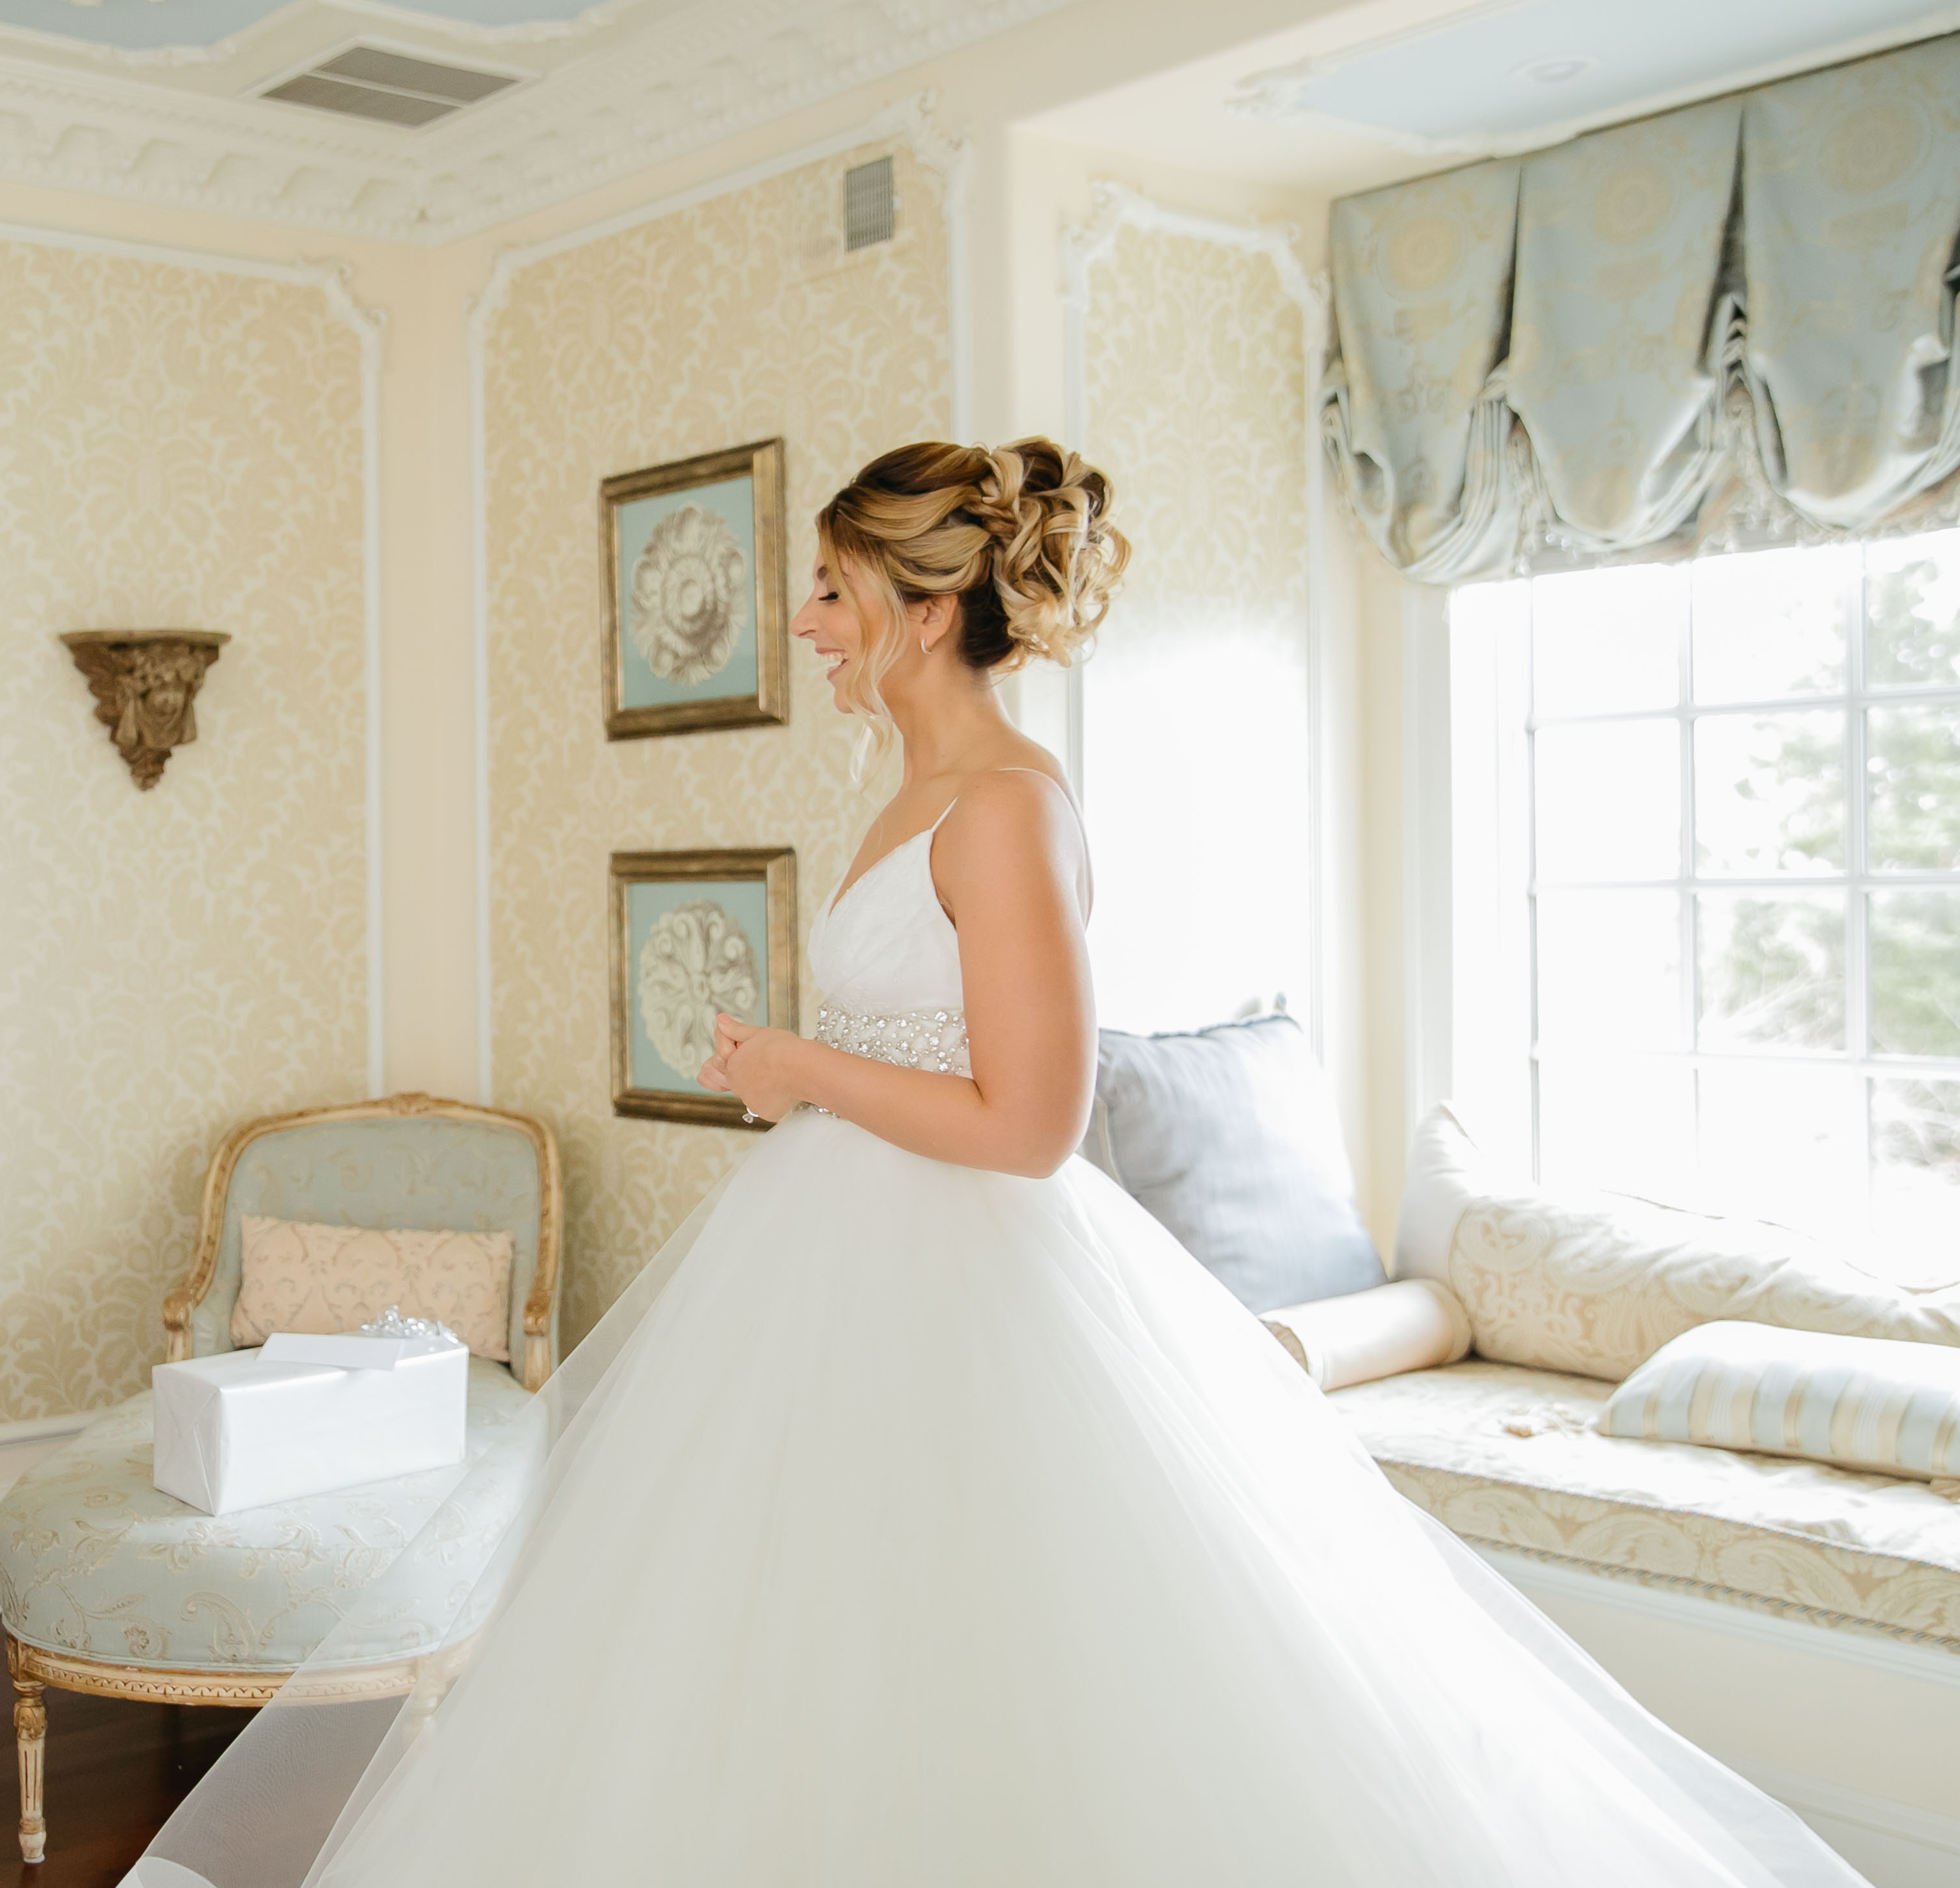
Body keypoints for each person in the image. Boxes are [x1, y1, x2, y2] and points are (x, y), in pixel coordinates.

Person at [124, 441, 1866, 1888]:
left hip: (968, 1284)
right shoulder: (902, 787)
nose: (806, 620)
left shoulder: (1009, 807)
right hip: (832, 1260)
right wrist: (802, 1081)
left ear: (924, 599)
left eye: (829, 585)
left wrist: (803, 1064)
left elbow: (1030, 1124)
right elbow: (924, 1053)